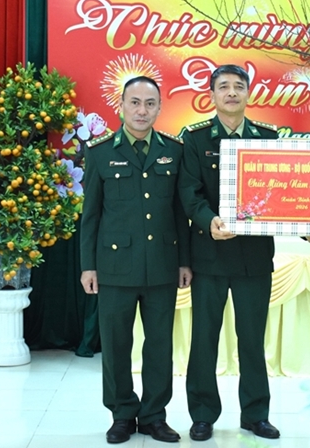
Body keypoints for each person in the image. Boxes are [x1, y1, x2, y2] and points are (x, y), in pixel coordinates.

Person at [80, 76, 192, 444]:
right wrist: (88, 266)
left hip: (162, 265)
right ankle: (122, 414)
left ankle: (154, 416)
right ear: (121, 106)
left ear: (159, 108)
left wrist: (184, 261)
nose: (141, 110)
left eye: (149, 103)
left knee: (159, 345)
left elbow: (180, 212)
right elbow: (90, 215)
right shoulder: (99, 152)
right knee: (116, 346)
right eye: (135, 102)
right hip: (115, 267)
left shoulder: (174, 151)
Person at [178, 64, 280, 441]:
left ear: (249, 93)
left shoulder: (268, 138)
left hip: (255, 257)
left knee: (252, 339)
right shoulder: (194, 138)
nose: (232, 93)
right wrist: (210, 221)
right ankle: (203, 414)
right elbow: (189, 193)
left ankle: (255, 414)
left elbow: (281, 192)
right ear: (212, 95)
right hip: (210, 255)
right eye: (224, 87)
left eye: (239, 86)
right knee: (205, 339)